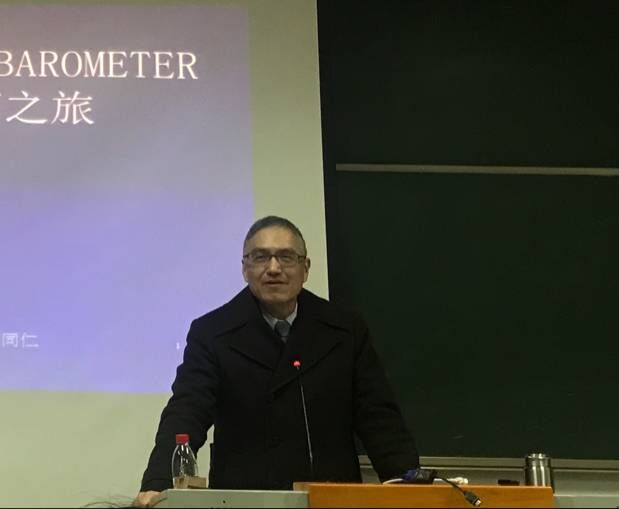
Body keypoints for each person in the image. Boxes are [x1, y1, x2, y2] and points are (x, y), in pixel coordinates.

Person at [133, 216, 418, 507]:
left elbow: (379, 417)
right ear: (244, 268)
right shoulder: (213, 332)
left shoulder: (344, 330)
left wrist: (408, 481)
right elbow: (187, 410)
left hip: (329, 496)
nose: (273, 268)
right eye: (260, 257)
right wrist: (159, 483)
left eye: (286, 257)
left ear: (306, 268)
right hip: (244, 498)